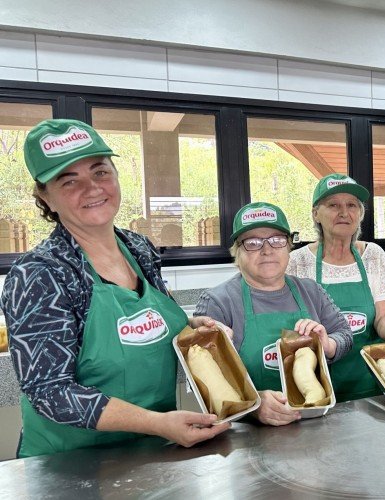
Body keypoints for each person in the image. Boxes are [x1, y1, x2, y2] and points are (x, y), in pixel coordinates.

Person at [0, 119, 230, 458]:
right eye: (69, 180)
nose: (92, 188)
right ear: (45, 197)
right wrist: (157, 423)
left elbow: (149, 320)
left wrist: (190, 328)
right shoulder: (40, 274)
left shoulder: (139, 249)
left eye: (100, 172)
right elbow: (51, 393)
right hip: (70, 465)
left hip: (152, 454)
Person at [194, 201, 353, 426]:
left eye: (277, 240)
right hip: (246, 437)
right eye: (253, 242)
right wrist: (253, 405)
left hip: (315, 425)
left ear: (289, 247)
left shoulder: (311, 291)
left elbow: (346, 335)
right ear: (237, 252)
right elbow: (207, 383)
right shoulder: (218, 301)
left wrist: (328, 345)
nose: (267, 250)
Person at [287, 174, 385, 402]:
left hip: (371, 381)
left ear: (360, 214)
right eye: (333, 205)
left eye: (352, 205)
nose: (344, 212)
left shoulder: (373, 256)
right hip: (318, 386)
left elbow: (384, 316)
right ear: (315, 213)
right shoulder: (297, 262)